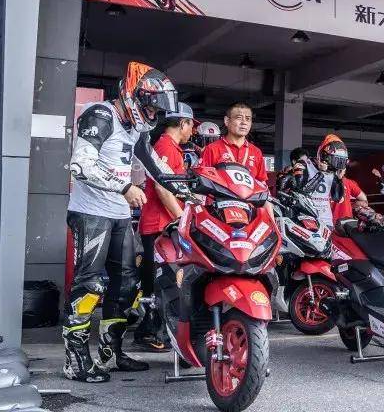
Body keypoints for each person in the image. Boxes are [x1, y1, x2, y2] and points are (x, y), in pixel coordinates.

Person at [64, 62, 178, 383]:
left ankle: (110, 353)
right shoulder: (101, 115)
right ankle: (75, 360)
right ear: (133, 94)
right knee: (89, 285)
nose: (153, 114)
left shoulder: (136, 128)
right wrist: (124, 187)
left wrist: (190, 187)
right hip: (91, 212)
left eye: (157, 110)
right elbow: (80, 165)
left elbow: (156, 167)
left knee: (127, 285)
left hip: (119, 214)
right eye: (150, 106)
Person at [133, 102, 193, 351]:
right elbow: (161, 187)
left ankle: (154, 330)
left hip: (163, 224)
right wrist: (182, 218)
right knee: (162, 280)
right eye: (191, 125)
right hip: (160, 225)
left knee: (162, 279)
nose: (192, 131)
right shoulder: (166, 147)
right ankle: (149, 331)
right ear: (183, 123)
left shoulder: (172, 148)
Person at [199, 102, 268, 187]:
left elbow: (262, 183)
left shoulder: (256, 152)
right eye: (239, 118)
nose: (244, 122)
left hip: (249, 196)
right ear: (227, 121)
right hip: (219, 196)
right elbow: (203, 180)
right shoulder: (212, 149)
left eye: (248, 119)